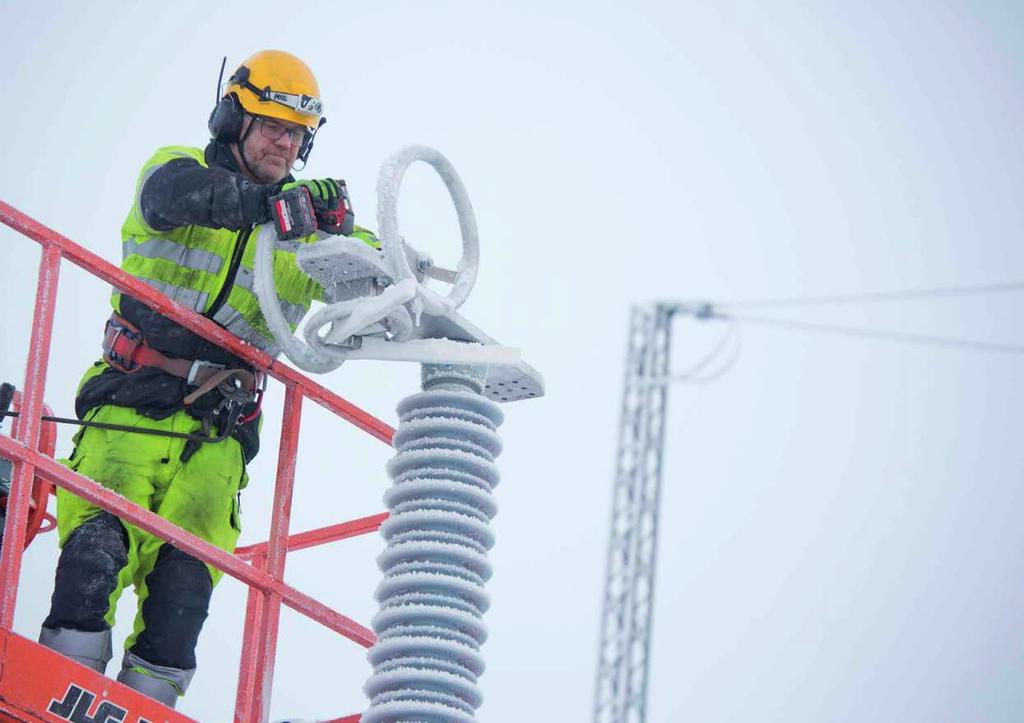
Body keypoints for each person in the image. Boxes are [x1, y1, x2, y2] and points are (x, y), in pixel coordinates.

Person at [38, 49, 377, 708]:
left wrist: (348, 233)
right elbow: (175, 196)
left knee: (184, 594)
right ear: (232, 119)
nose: (286, 141)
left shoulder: (304, 233)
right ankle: (54, 695)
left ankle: (142, 710)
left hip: (218, 443)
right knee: (94, 555)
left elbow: (381, 276)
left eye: (297, 133)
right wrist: (277, 206)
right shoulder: (178, 171)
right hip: (129, 410)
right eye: (273, 124)